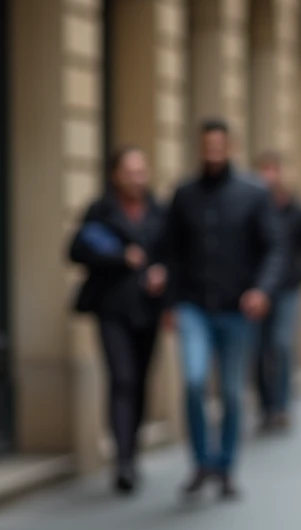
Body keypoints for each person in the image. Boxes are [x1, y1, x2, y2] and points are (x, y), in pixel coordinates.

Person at [165, 119, 287, 499]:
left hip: (238, 309)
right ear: (200, 149)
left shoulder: (252, 193)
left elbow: (274, 249)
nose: (213, 153)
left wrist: (261, 291)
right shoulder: (184, 195)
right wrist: (170, 301)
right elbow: (169, 251)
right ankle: (202, 461)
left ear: (229, 147)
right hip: (193, 308)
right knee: (194, 380)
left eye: (219, 146)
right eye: (207, 147)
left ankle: (226, 467)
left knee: (233, 392)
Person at [69, 146, 166, 495]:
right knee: (122, 379)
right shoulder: (101, 210)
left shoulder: (159, 210)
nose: (137, 178)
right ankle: (122, 460)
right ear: (115, 175)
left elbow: (174, 253)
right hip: (112, 308)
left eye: (142, 171)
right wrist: (118, 256)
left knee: (139, 381)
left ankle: (132, 450)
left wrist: (163, 274)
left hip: (148, 309)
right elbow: (75, 250)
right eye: (130, 171)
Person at [253, 151, 301, 434]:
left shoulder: (296, 209)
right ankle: (266, 407)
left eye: (273, 170)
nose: (269, 176)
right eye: (263, 170)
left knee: (280, 346)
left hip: (286, 292)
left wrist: (296, 278)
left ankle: (281, 406)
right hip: (255, 291)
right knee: (258, 351)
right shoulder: (251, 207)